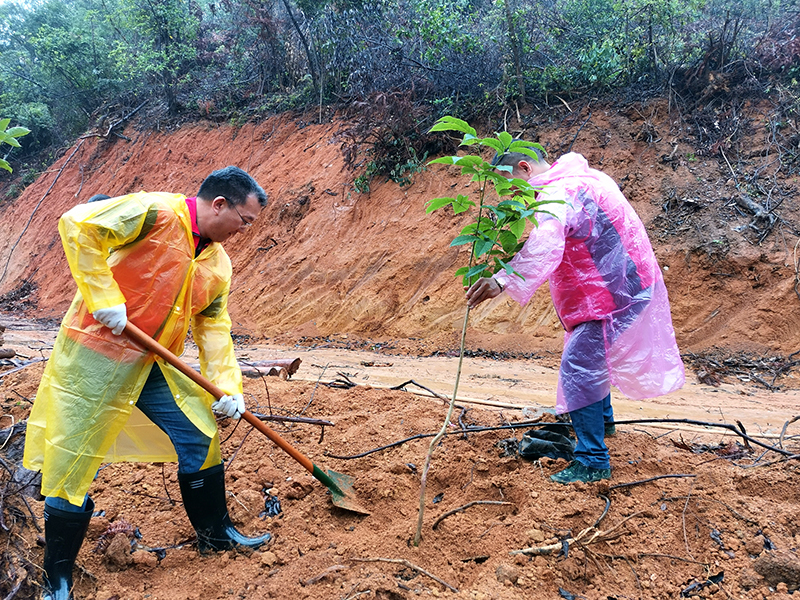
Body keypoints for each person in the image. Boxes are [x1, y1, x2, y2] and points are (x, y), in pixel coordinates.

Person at [23, 166, 269, 600]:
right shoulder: (153, 212)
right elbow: (78, 223)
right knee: (73, 461)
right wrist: (104, 299)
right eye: (244, 221)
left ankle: (217, 535)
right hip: (96, 354)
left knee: (199, 433)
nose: (244, 230)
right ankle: (57, 580)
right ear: (219, 205)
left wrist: (228, 386)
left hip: (154, 361)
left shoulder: (217, 262)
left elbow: (213, 326)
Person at [465, 147, 685, 484]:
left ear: (524, 168)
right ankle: (603, 421)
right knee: (592, 360)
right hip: (620, 287)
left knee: (579, 366)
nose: (514, 198)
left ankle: (593, 462)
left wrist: (501, 279)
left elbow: (545, 244)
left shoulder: (558, 192)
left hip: (612, 294)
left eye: (512, 186)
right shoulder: (584, 178)